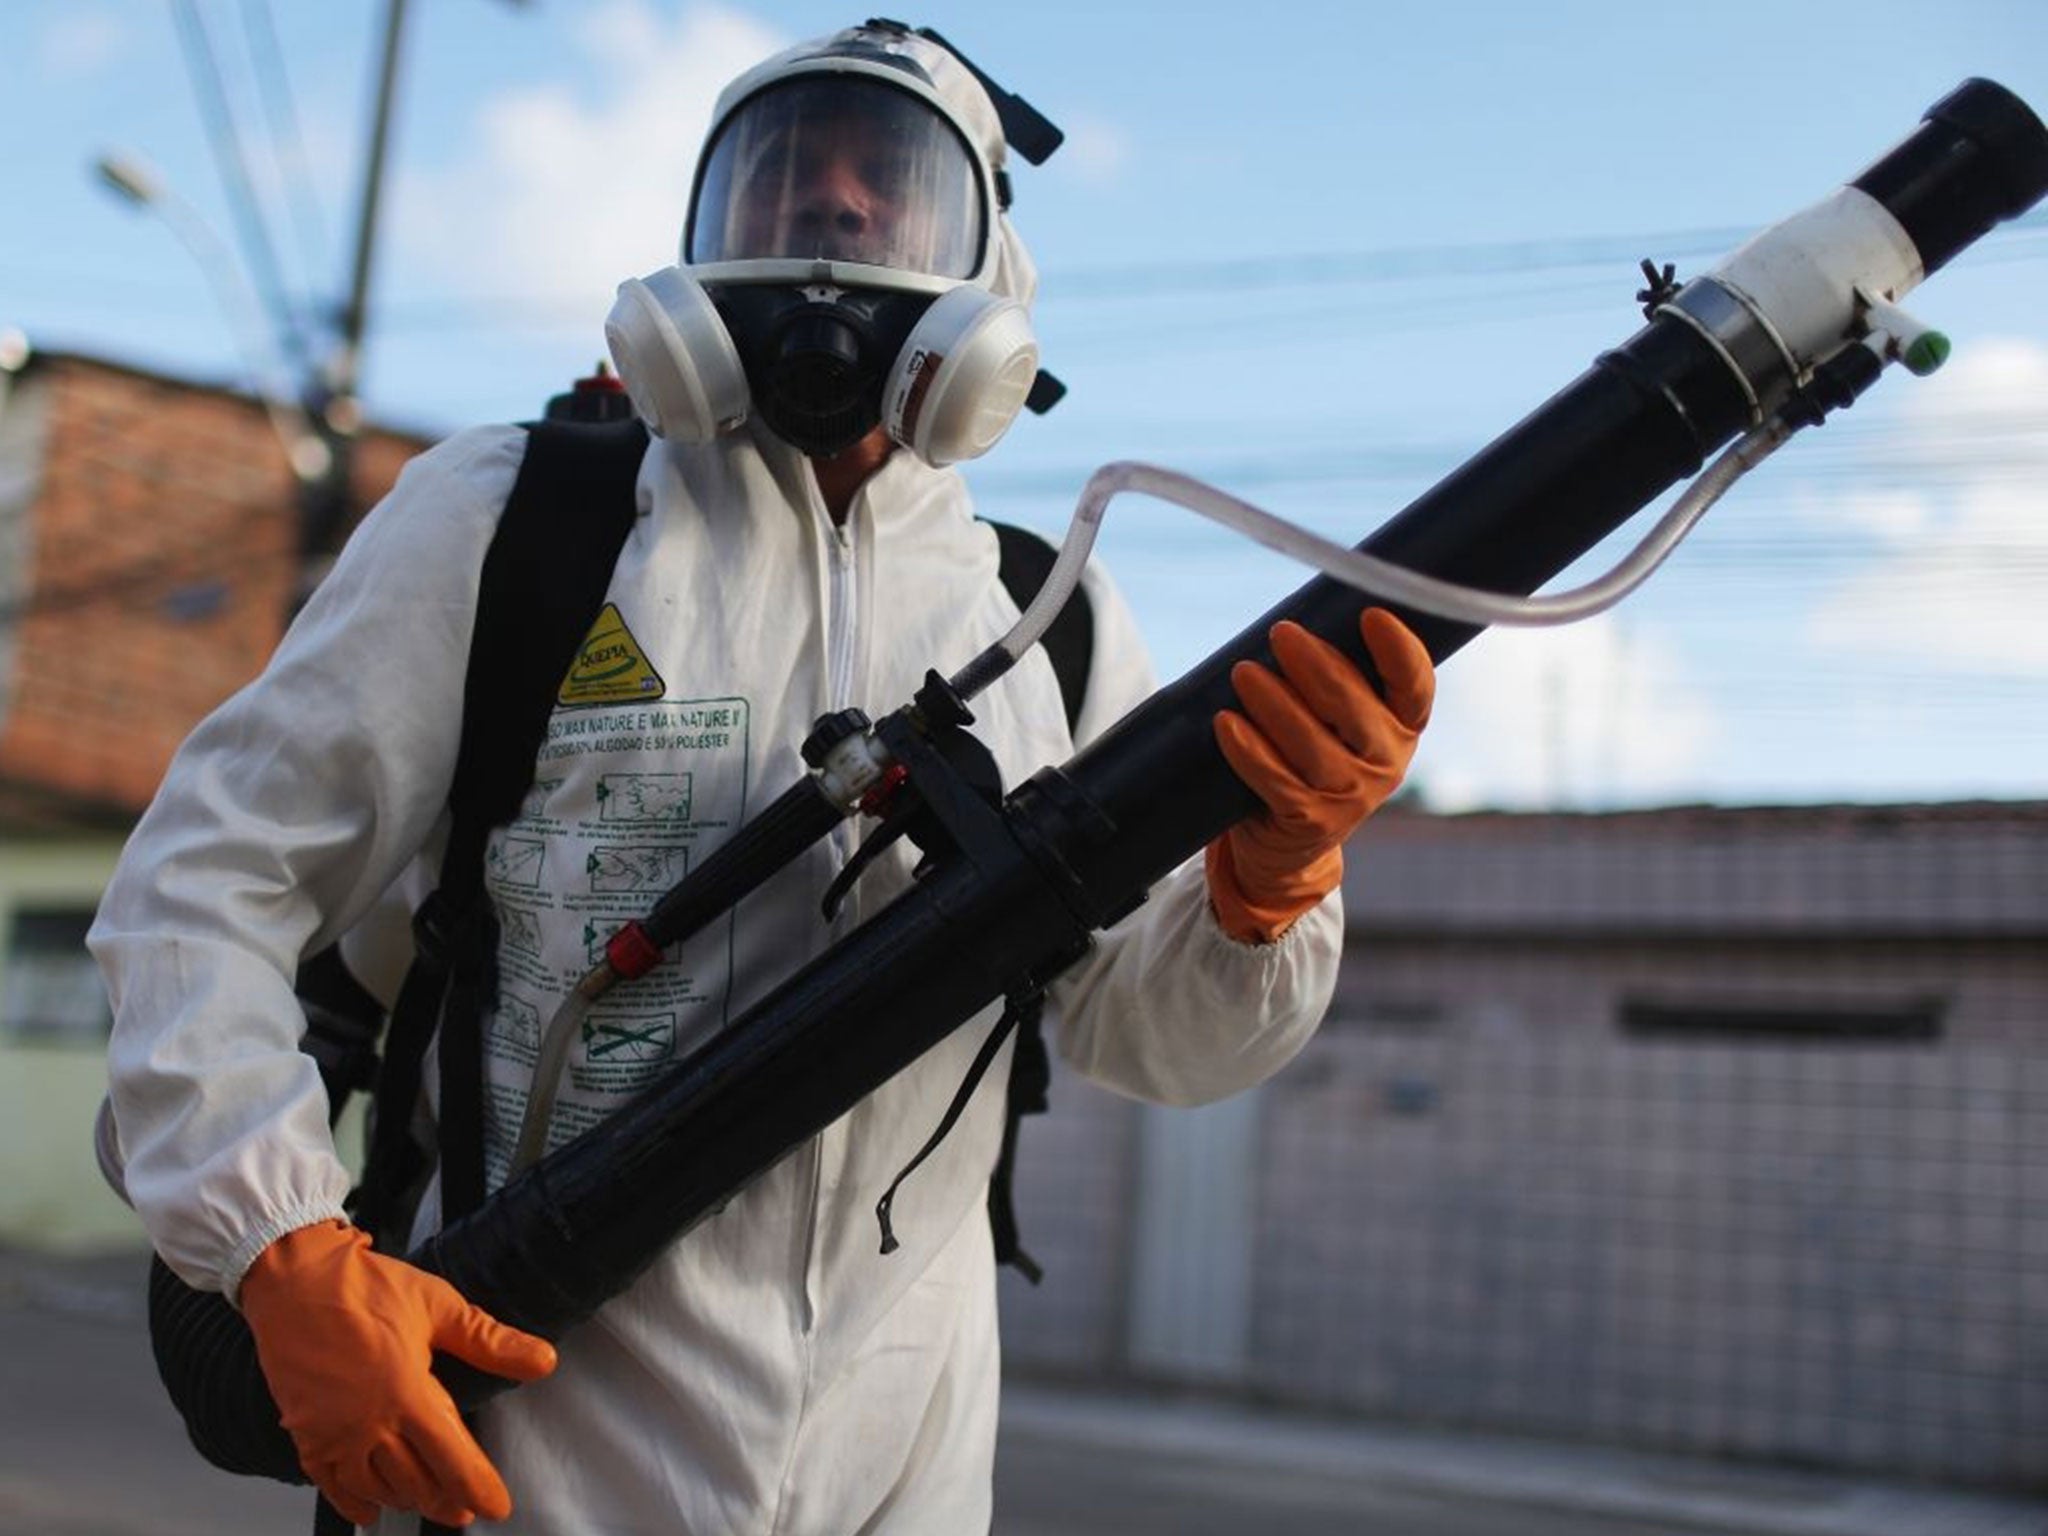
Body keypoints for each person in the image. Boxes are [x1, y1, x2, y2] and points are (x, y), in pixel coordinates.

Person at [90, 21, 1434, 1535]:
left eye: (891, 184)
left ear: (997, 285)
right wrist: (280, 1247)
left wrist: (1271, 886)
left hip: (902, 1487)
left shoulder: (1047, 627)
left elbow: (1152, 1033)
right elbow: (202, 885)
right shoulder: (521, 526)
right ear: (696, 252)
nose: (837, 208)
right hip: (505, 1480)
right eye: (789, 176)